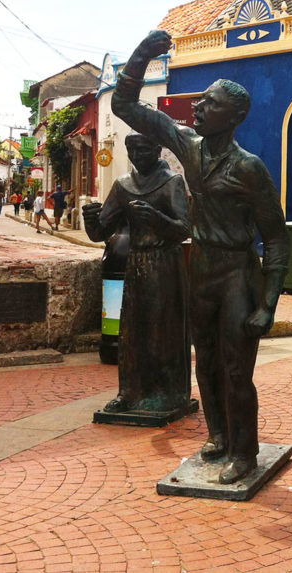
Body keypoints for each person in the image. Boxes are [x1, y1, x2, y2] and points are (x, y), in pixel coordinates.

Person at [112, 29, 289, 485]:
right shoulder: (188, 145)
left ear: (234, 116)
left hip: (236, 272)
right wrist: (142, 54)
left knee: (235, 367)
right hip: (201, 268)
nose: (198, 107)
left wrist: (267, 303)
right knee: (204, 360)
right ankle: (218, 437)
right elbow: (125, 107)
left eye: (210, 104)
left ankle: (245, 453)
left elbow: (276, 237)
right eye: (202, 102)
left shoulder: (249, 168)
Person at [83, 133, 192, 414]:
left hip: (165, 263)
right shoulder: (123, 185)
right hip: (137, 263)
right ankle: (129, 392)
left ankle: (167, 391)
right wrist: (90, 218)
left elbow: (184, 228)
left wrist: (157, 220)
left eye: (143, 150)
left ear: (157, 150)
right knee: (131, 329)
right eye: (132, 151)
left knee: (161, 329)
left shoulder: (172, 182)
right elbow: (99, 233)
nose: (137, 156)